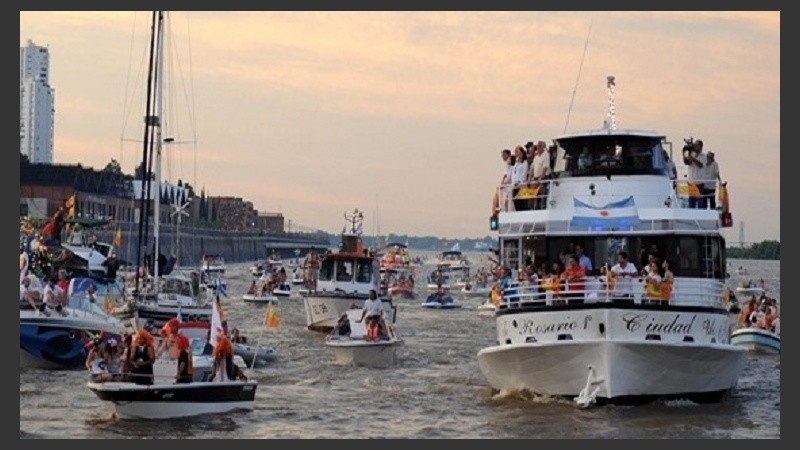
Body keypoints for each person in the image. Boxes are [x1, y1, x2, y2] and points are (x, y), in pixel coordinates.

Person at [684, 139, 708, 209]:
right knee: (691, 201)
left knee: (700, 202)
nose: (695, 146)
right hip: (691, 182)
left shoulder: (704, 156)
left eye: (697, 145)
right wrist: (686, 152)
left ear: (701, 146)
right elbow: (686, 162)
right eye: (694, 145)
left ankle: (700, 218)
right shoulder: (691, 154)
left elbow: (700, 165)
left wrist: (693, 158)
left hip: (699, 183)